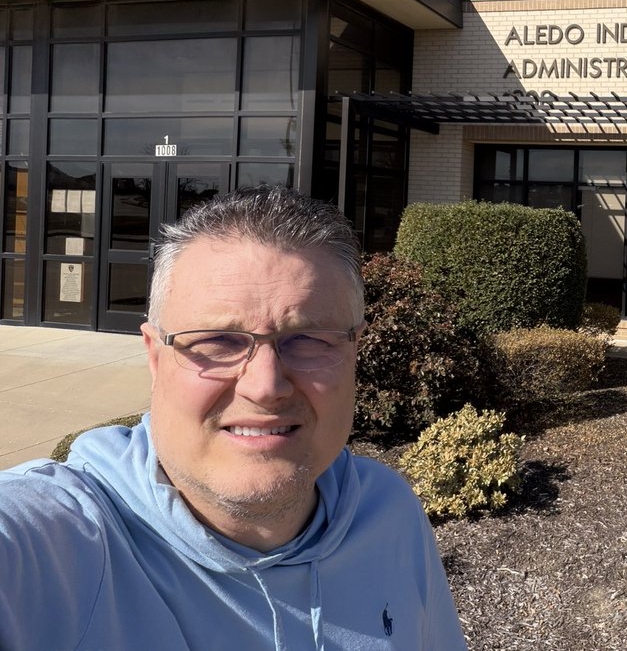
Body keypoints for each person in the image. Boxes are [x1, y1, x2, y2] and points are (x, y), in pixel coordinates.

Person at [0, 186, 467, 650]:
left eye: (308, 340)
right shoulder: (55, 548)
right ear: (155, 355)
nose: (265, 385)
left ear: (354, 351)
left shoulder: (388, 513)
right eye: (218, 341)